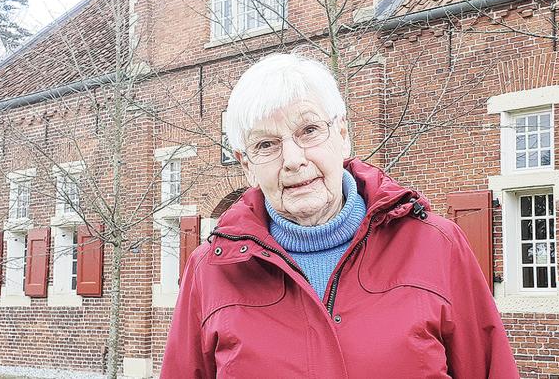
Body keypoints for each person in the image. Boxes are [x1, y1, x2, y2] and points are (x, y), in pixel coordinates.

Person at [162, 53, 518, 378]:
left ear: (343, 135)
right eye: (266, 145)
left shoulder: (437, 245)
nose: (293, 159)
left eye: (309, 131)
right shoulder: (209, 271)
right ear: (247, 166)